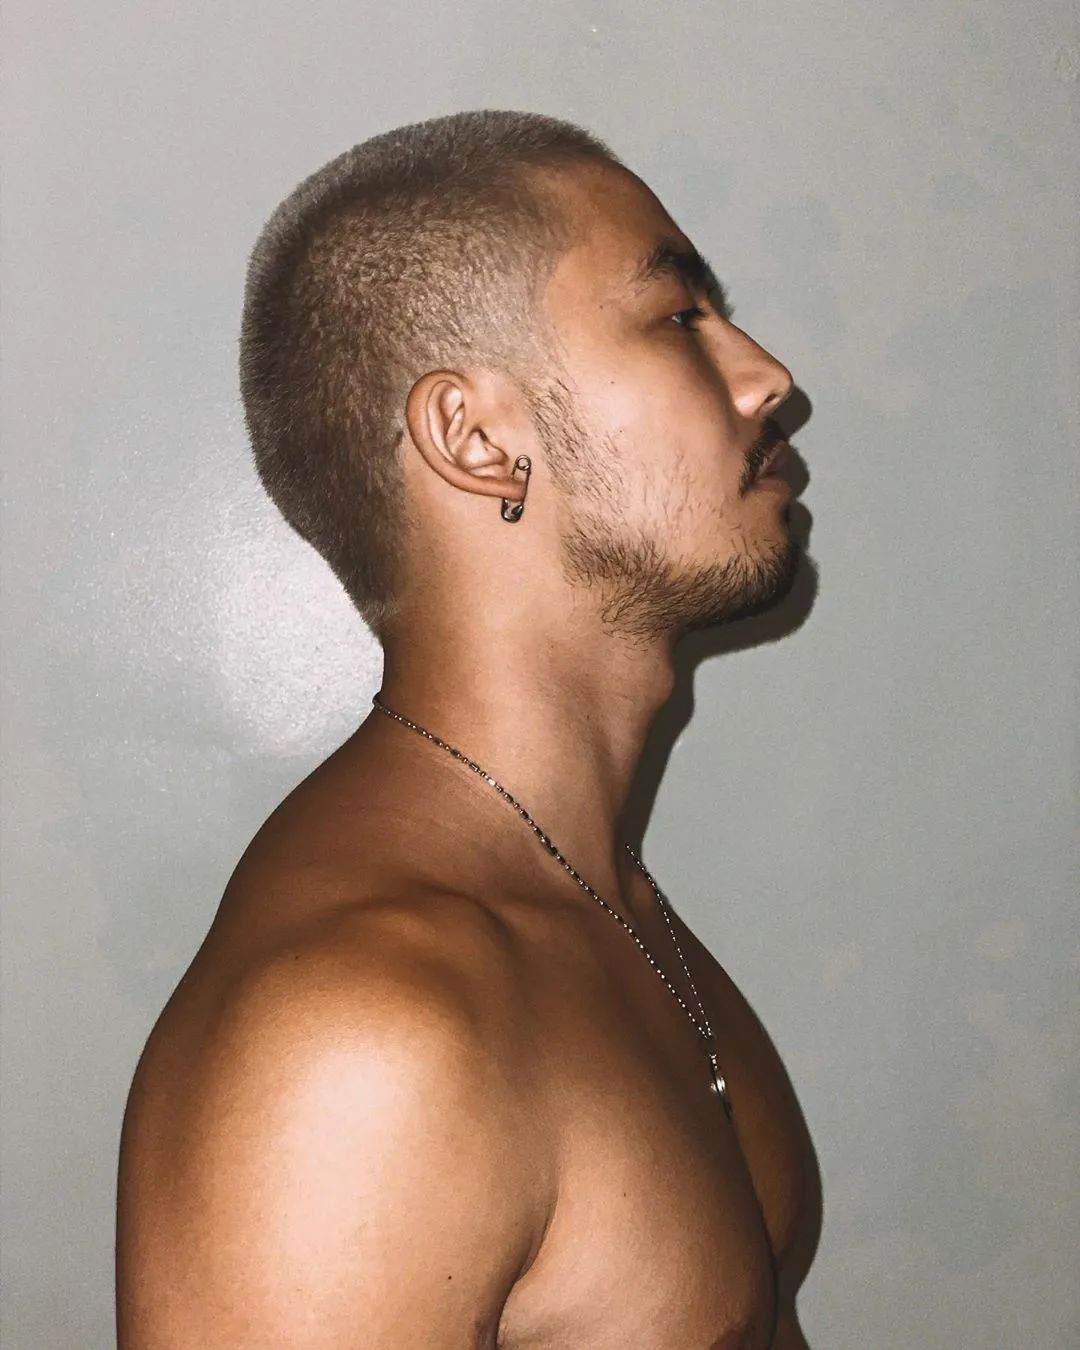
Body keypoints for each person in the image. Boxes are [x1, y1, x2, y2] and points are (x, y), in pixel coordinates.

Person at [116, 108, 819, 1349]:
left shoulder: (602, 899)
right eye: (678, 318)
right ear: (478, 440)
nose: (769, 379)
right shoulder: (359, 1042)